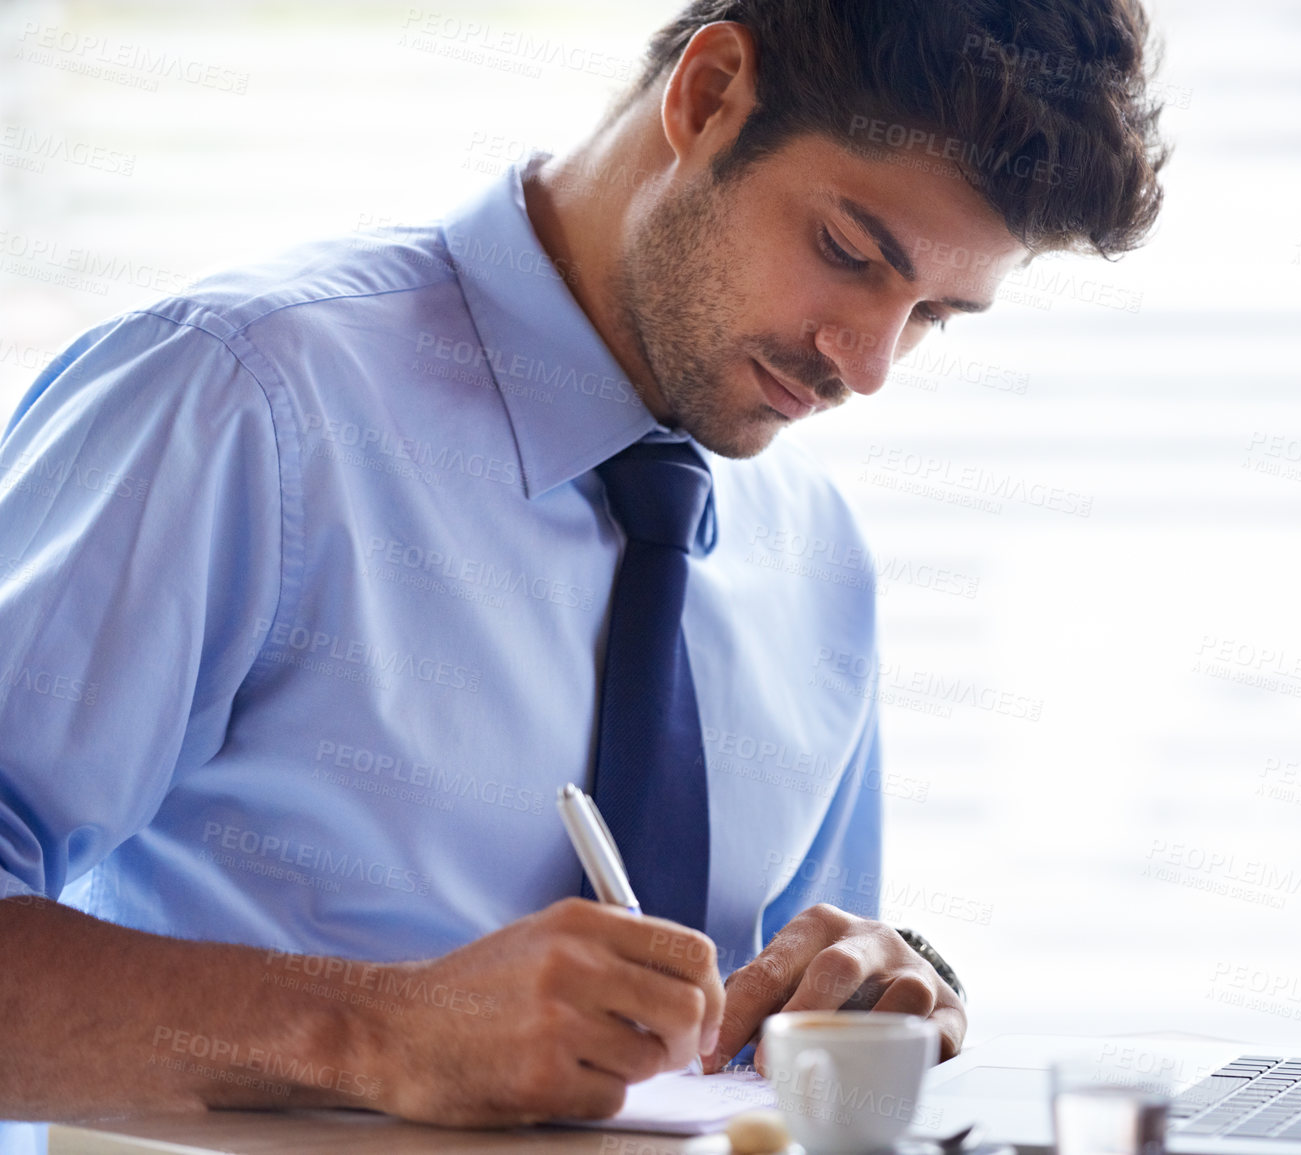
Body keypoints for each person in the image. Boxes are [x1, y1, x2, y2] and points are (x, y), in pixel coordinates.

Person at [0, 0, 1167, 1128]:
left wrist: (864, 988)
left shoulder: (817, 554)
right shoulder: (240, 403)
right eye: (848, 252)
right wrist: (380, 1033)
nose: (866, 366)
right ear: (710, 97)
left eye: (934, 316)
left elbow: (760, 1036)